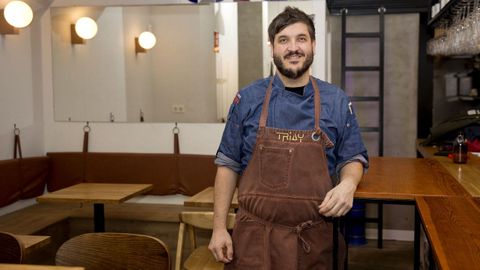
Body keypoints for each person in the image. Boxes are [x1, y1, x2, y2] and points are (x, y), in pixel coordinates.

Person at [208, 6, 368, 270]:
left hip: (315, 241)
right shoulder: (247, 99)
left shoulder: (336, 100)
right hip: (254, 241)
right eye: (284, 40)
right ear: (272, 48)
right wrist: (219, 228)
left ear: (313, 45)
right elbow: (228, 164)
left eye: (301, 39)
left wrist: (349, 184)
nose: (293, 47)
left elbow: (352, 156)